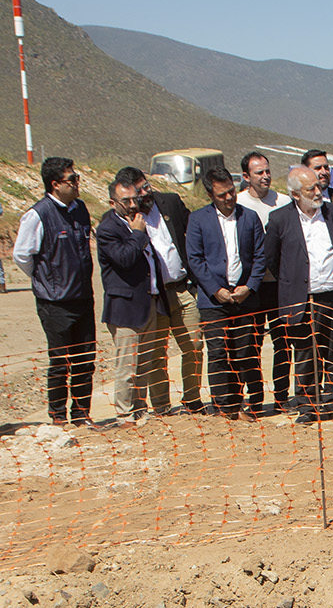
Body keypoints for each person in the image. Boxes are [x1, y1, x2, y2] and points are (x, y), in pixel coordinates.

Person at [263, 166, 333, 423]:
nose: (318, 192)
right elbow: (272, 258)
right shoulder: (280, 219)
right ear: (294, 194)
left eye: (318, 186)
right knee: (305, 354)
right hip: (302, 300)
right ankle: (308, 406)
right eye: (310, 189)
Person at [98, 168, 186, 420]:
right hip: (125, 308)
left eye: (134, 199)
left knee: (144, 363)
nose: (131, 204)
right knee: (127, 365)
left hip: (150, 302)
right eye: (125, 201)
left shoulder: (138, 220)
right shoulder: (108, 228)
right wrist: (137, 234)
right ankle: (125, 414)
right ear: (112, 203)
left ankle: (139, 409)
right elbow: (124, 259)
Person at [14, 156, 96, 425]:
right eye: (71, 179)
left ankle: (82, 415)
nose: (76, 183)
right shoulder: (38, 214)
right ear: (54, 184)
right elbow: (23, 255)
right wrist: (45, 279)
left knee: (85, 361)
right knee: (61, 363)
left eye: (76, 178)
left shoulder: (80, 209)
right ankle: (58, 416)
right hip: (55, 302)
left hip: (83, 297)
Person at [185, 168, 265, 420]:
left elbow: (260, 257)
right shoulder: (198, 220)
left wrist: (249, 286)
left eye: (231, 191)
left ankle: (245, 403)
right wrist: (215, 290)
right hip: (214, 301)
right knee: (218, 352)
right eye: (222, 195)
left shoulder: (250, 218)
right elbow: (195, 260)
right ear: (210, 194)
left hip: (245, 298)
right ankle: (223, 405)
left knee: (245, 351)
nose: (229, 198)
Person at [129, 169, 209, 413]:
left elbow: (194, 232)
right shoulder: (126, 218)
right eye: (139, 190)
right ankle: (162, 406)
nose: (146, 193)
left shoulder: (170, 202)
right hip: (155, 297)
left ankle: (193, 400)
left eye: (147, 186)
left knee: (194, 346)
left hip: (183, 289)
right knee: (157, 354)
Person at [236, 150, 291, 413]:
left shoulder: (283, 201)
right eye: (259, 172)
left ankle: (282, 397)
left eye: (268, 171)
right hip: (252, 286)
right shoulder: (238, 204)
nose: (265, 176)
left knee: (283, 342)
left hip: (280, 285)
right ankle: (255, 398)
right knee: (252, 343)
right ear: (246, 176)